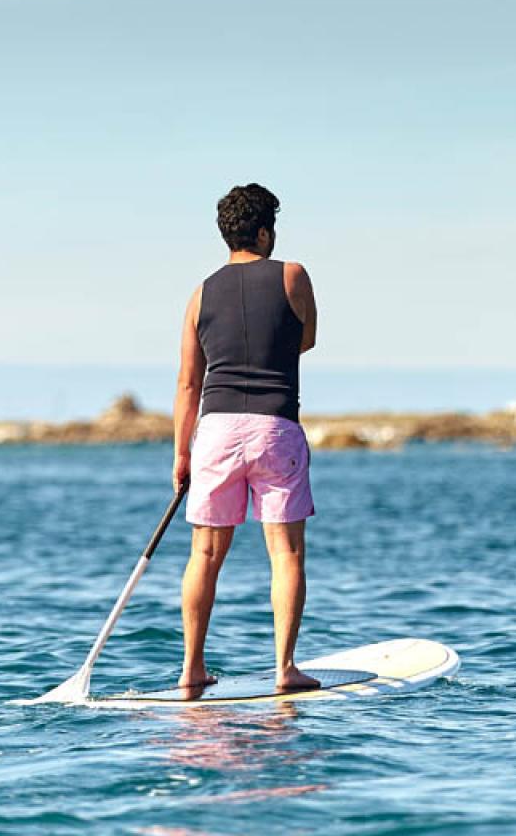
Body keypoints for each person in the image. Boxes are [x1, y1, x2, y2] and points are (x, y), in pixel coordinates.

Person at [171, 184, 319, 695]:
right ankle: (285, 670)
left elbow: (190, 383)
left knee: (204, 556)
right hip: (275, 426)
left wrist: (181, 454)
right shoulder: (293, 276)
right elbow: (306, 338)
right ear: (262, 231)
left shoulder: (199, 295)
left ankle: (191, 669)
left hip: (214, 431)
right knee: (285, 553)